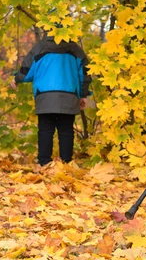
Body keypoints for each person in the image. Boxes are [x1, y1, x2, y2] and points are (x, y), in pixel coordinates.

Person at [12, 31, 92, 166]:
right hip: (69, 95)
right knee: (66, 130)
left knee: (45, 130)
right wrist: (83, 95)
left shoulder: (40, 48)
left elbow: (27, 70)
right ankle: (66, 164)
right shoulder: (75, 49)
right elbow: (85, 73)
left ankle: (44, 164)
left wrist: (16, 79)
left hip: (44, 95)